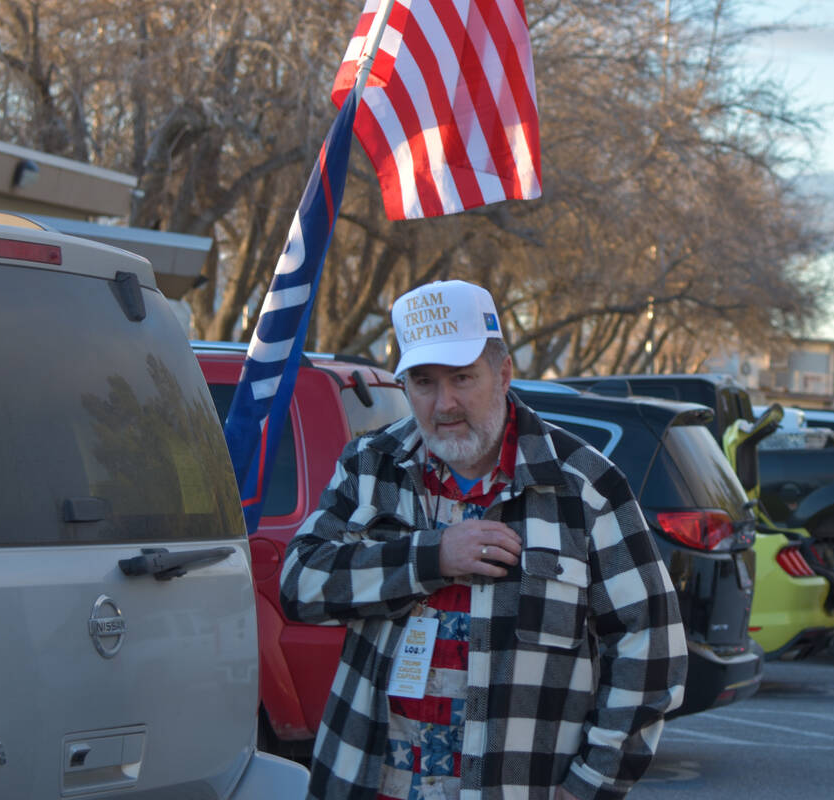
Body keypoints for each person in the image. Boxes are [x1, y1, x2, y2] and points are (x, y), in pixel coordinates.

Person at [280, 280, 687, 800]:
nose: (444, 403)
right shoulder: (370, 466)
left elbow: (651, 648)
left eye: (463, 378)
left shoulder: (584, 486)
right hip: (369, 782)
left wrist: (590, 786)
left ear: (503, 373)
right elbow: (299, 584)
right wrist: (433, 556)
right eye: (424, 382)